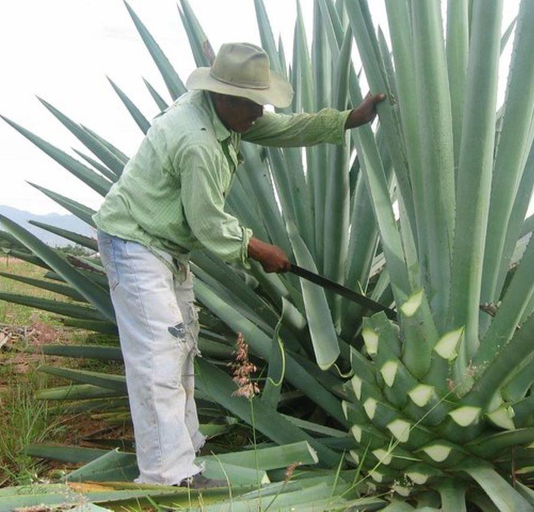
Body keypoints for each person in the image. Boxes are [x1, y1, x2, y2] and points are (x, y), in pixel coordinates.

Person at [93, 42, 384, 488]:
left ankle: (184, 448)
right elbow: (209, 224)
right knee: (158, 354)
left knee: (181, 341)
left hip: (166, 246)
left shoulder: (223, 112)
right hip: (134, 244)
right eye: (253, 106)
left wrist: (346, 119)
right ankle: (166, 475)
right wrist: (259, 248)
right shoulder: (198, 143)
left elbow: (280, 128)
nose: (259, 115)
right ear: (225, 98)